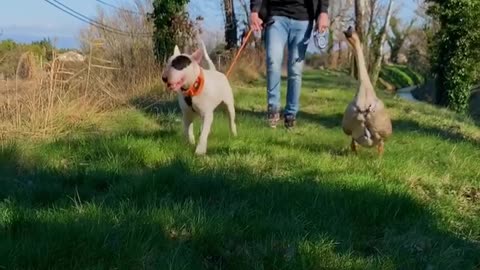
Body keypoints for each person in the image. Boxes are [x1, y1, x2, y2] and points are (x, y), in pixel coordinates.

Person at [250, 0, 329, 129]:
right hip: (276, 14)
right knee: (273, 60)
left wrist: (323, 12)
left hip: (303, 18)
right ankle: (273, 109)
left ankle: (291, 114)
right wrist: (254, 11)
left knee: (295, 68)